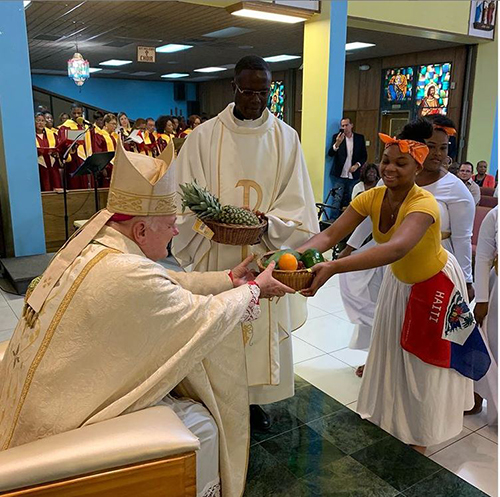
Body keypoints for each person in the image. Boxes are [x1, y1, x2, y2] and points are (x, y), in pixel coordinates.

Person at [0, 141, 292, 497]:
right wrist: (255, 291)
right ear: (140, 231)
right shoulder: (127, 272)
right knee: (203, 427)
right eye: (170, 225)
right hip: (53, 432)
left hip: (37, 402)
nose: (174, 233)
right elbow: (198, 315)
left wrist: (228, 280)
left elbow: (168, 283)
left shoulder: (97, 247)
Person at [298, 119, 486, 451]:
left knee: (424, 363)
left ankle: (421, 436)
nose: (390, 169)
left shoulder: (424, 203)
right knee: (390, 352)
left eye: (401, 163)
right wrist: (290, 254)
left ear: (417, 166)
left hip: (435, 284)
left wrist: (334, 266)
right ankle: (394, 417)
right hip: (399, 283)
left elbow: (396, 247)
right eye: (386, 161)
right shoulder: (373, 196)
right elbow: (329, 234)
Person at [173, 55, 319, 431]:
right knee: (218, 327)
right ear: (233, 88)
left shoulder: (286, 138)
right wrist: (212, 225)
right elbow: (183, 198)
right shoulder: (204, 137)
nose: (256, 98)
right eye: (248, 90)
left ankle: (253, 402)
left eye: (264, 91)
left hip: (265, 253)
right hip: (217, 256)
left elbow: (299, 203)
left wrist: (269, 224)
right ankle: (213, 397)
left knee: (259, 333)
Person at [339, 115, 476, 376]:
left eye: (443, 148)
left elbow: (462, 238)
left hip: (435, 265)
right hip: (395, 263)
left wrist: (467, 280)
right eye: (430, 145)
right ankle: (381, 365)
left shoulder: (456, 190)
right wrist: (349, 249)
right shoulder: (392, 177)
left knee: (427, 326)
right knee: (389, 319)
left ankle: (418, 377)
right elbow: (370, 218)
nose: (436, 153)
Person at [471, 206, 498, 424]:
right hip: (496, 289)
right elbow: (482, 258)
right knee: (489, 344)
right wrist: (481, 299)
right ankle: (477, 396)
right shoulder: (496, 214)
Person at [327, 117, 368, 220]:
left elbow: (364, 156)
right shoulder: (337, 137)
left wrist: (357, 165)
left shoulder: (359, 138)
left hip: (353, 175)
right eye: (343, 125)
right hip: (340, 174)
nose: (345, 127)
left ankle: (349, 222)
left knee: (352, 199)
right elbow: (330, 154)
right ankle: (332, 222)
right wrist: (337, 144)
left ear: (351, 125)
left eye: (346, 125)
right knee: (337, 199)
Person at [57, 103, 93, 189]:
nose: (76, 115)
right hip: (74, 160)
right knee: (76, 184)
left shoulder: (87, 125)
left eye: (79, 113)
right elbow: (62, 144)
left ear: (82, 113)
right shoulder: (65, 126)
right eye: (74, 113)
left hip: (87, 158)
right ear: (70, 112)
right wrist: (69, 147)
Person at [35, 113, 62, 191]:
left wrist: (56, 152)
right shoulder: (31, 135)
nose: (40, 123)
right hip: (40, 165)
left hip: (52, 164)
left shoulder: (51, 134)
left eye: (43, 121)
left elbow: (58, 147)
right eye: (38, 121)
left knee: (56, 186)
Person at [93, 113, 118, 187]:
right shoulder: (99, 136)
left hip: (114, 167)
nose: (115, 126)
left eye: (115, 124)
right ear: (106, 123)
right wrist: (103, 168)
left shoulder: (114, 136)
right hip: (105, 169)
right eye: (113, 124)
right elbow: (98, 153)